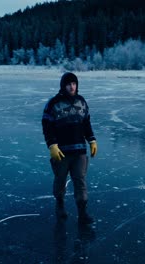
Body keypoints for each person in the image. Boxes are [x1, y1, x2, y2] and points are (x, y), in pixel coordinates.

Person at [42, 72, 97, 224]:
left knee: (80, 180)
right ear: (63, 85)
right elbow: (47, 126)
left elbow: (86, 123)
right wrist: (52, 145)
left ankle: (82, 213)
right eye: (68, 84)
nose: (72, 87)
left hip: (80, 151)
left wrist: (92, 140)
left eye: (74, 84)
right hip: (61, 152)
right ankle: (60, 204)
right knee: (60, 180)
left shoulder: (81, 102)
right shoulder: (53, 103)